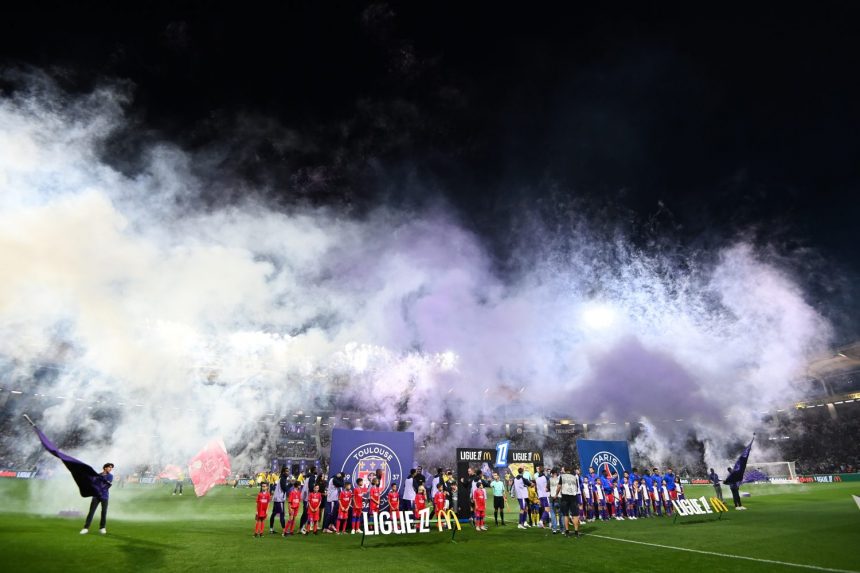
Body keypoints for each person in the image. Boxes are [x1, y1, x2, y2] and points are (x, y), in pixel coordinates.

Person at [80, 463, 114, 535]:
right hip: (96, 496)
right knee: (91, 512)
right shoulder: (98, 475)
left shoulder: (110, 476)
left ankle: (102, 528)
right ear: (105, 468)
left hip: (104, 496)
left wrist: (100, 482)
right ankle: (86, 528)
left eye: (111, 468)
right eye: (109, 467)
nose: (110, 469)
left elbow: (107, 485)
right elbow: (94, 484)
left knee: (104, 512)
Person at [556, 466, 581, 538]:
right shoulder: (574, 477)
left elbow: (559, 486)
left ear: (565, 470)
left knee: (565, 514)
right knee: (575, 515)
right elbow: (576, 488)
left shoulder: (562, 476)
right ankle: (576, 532)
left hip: (565, 497)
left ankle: (567, 532)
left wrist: (556, 494)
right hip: (573, 497)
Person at [269, 468, 288, 534]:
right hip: (279, 500)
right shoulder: (283, 479)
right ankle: (284, 531)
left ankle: (271, 529)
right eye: (286, 471)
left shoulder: (282, 478)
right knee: (282, 514)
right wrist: (291, 484)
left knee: (274, 513)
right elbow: (285, 488)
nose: (288, 472)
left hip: (276, 499)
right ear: (283, 472)